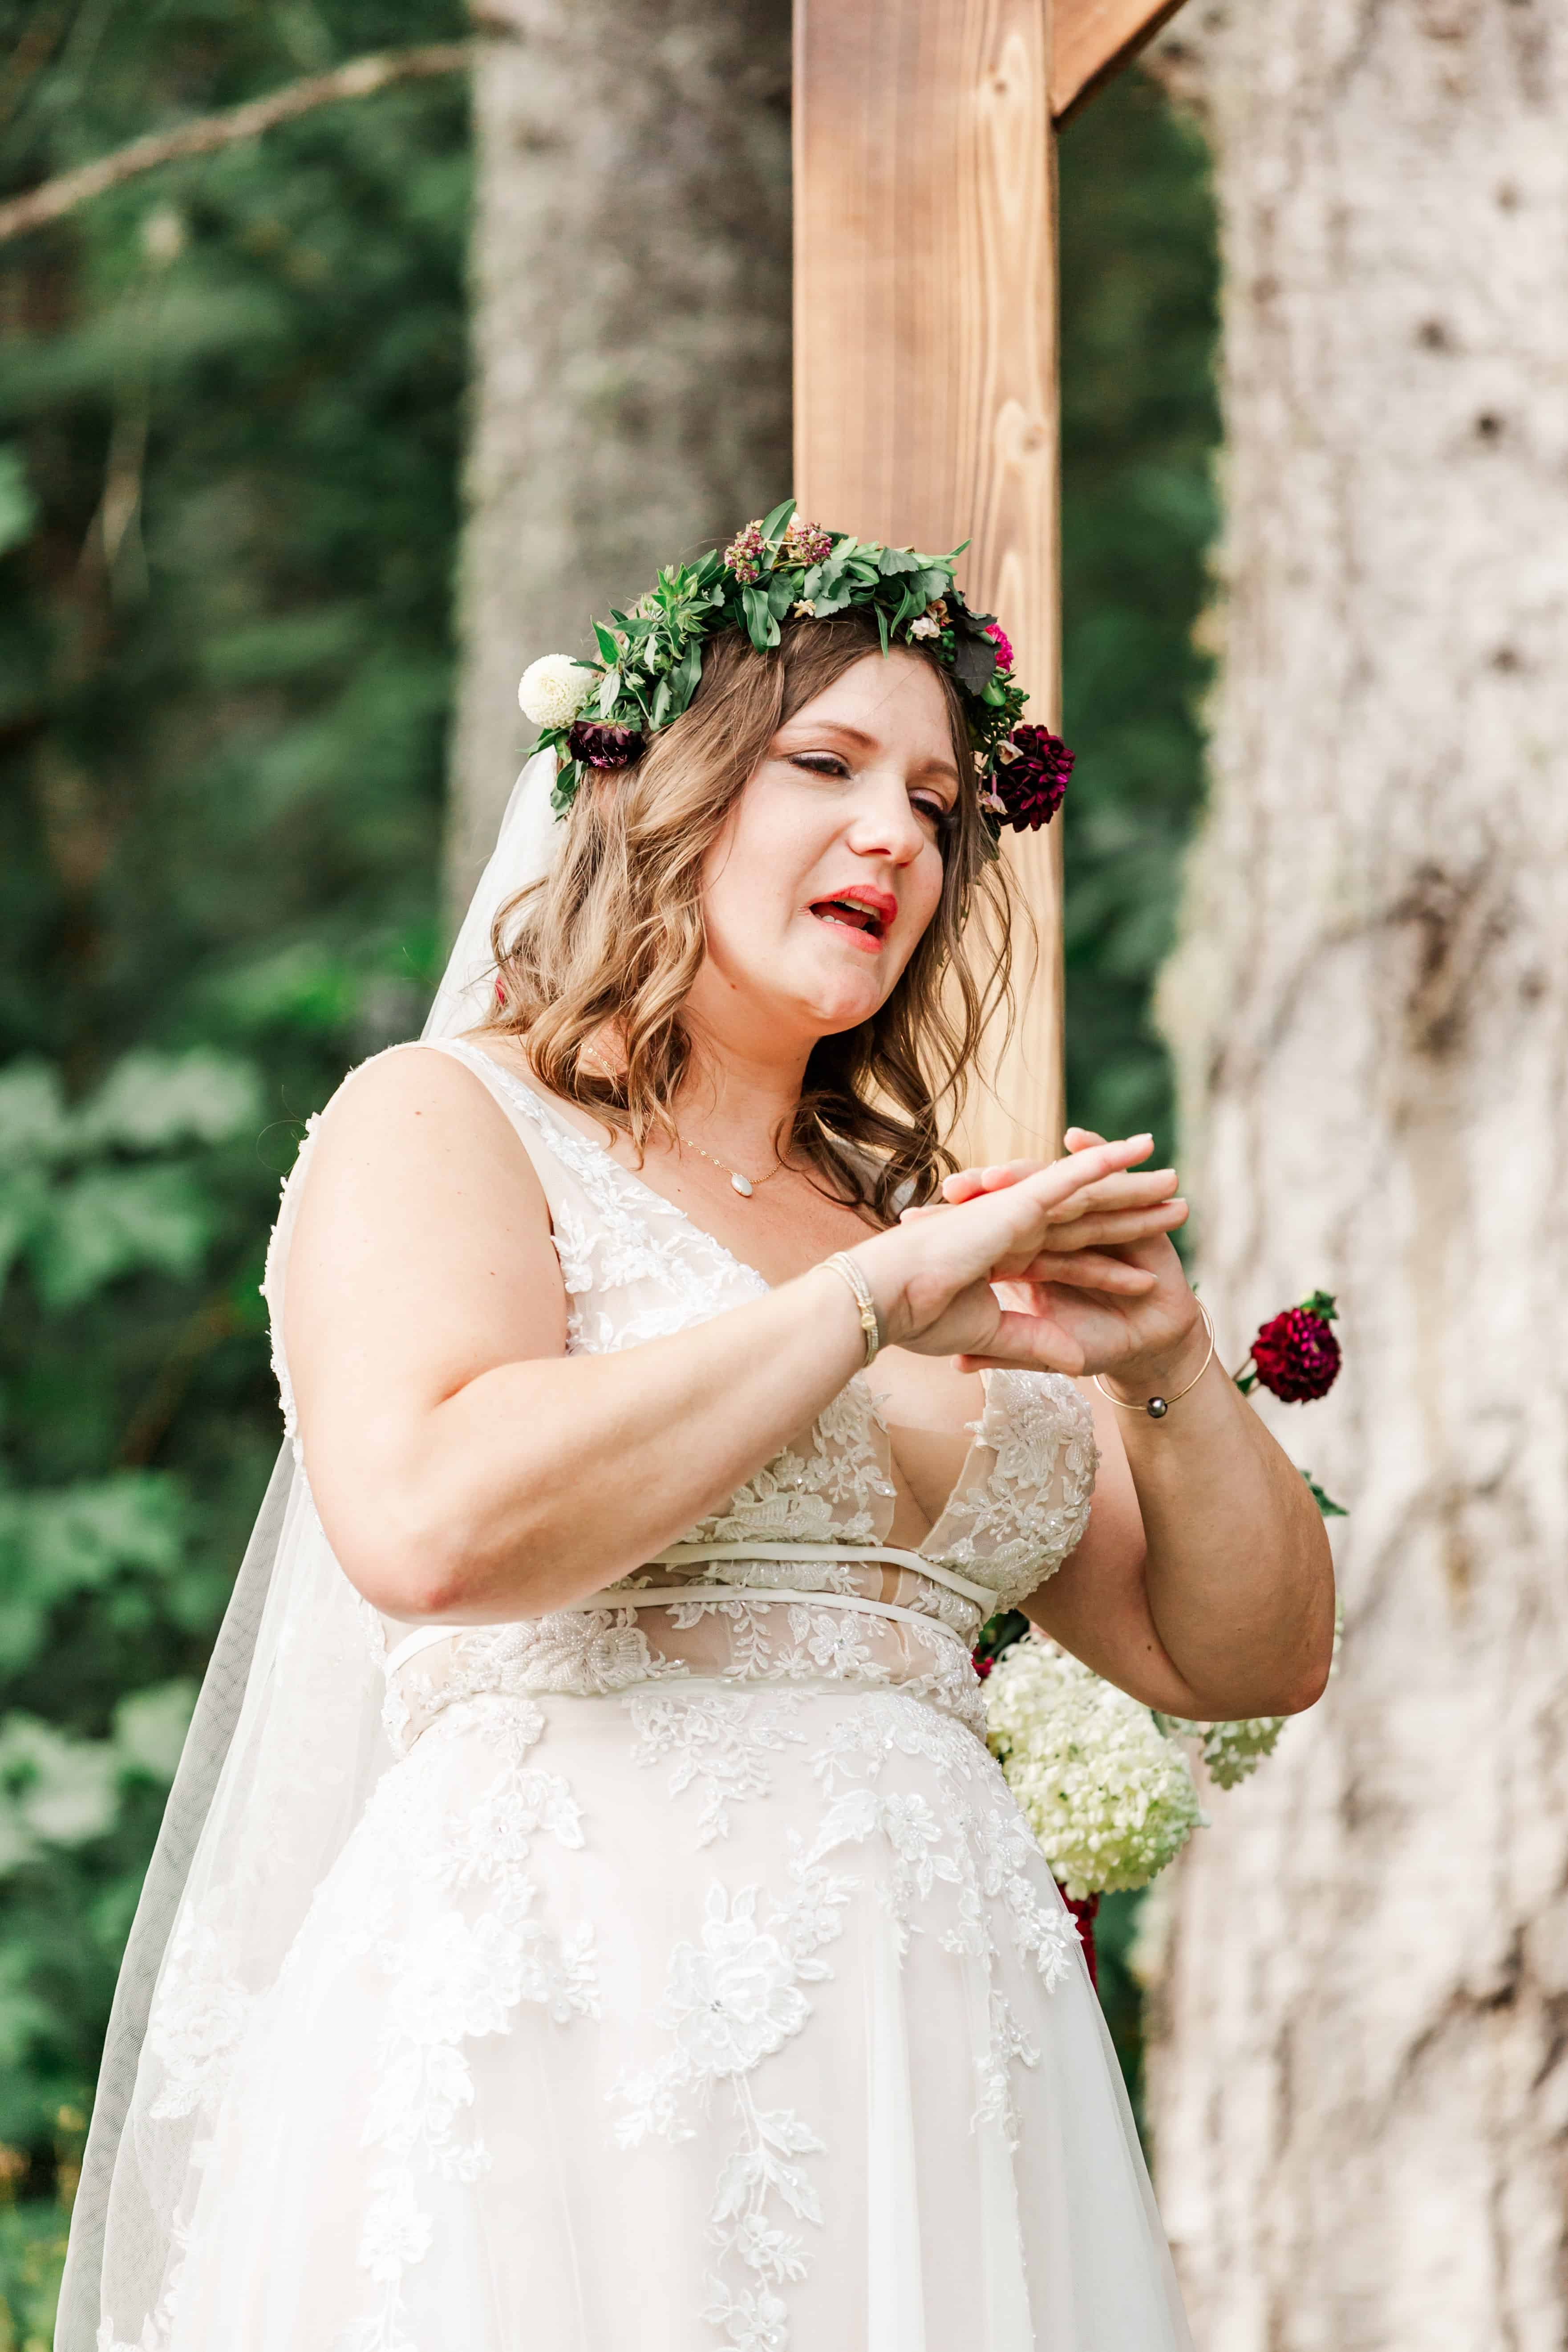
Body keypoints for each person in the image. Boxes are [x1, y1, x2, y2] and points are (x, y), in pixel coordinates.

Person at [61, 513, 1334, 2352]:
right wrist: (864, 1303)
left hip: (939, 2069)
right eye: (826, 765)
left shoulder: (923, 1230)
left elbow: (1242, 1656)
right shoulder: (446, 1120)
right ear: (662, 789)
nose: (894, 835)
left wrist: (1166, 1360)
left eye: (934, 803)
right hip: (578, 2023)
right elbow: (429, 1522)